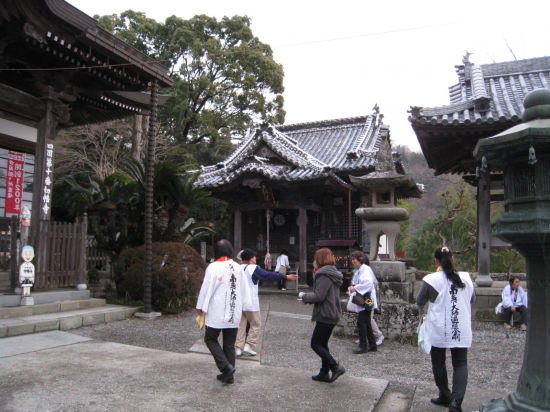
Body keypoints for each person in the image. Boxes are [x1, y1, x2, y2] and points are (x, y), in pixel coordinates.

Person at [416, 247, 475, 412]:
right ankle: (456, 402)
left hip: (439, 326)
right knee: (460, 363)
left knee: (438, 361)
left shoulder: (431, 280)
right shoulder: (466, 278)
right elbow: (472, 299)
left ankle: (445, 394)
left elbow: (420, 301)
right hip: (460, 326)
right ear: (452, 259)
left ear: (436, 261)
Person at [196, 240, 252, 385]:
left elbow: (206, 288)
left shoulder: (213, 267)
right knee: (229, 344)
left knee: (210, 338)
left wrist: (201, 306)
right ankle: (229, 375)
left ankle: (225, 367)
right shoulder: (238, 268)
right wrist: (246, 306)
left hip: (217, 310)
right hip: (234, 310)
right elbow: (245, 289)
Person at [236, 248, 297, 357]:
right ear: (250, 258)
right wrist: (285, 276)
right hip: (251, 302)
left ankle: (238, 348)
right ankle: (249, 345)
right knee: (256, 324)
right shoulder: (254, 268)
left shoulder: (237, 268)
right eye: (254, 256)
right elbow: (268, 276)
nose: (255, 258)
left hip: (239, 302)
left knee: (241, 325)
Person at [298, 248, 346, 383]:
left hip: (325, 313)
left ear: (320, 259)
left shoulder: (324, 275)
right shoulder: (333, 273)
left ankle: (335, 366)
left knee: (315, 343)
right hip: (333, 312)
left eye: (315, 258)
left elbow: (319, 296)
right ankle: (324, 372)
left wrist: (304, 296)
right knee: (323, 343)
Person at [350, 251, 384, 347]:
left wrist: (355, 288)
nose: (352, 261)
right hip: (366, 297)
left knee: (365, 319)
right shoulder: (361, 270)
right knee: (367, 320)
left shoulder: (365, 270)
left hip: (367, 298)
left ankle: (371, 339)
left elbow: (368, 284)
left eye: (354, 259)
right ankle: (369, 341)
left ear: (360, 260)